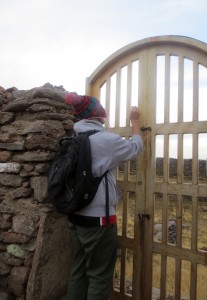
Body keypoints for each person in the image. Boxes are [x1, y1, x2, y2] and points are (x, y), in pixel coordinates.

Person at [64, 93, 143, 300]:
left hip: (75, 216)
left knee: (78, 271)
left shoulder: (74, 138)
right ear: (100, 115)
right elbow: (135, 148)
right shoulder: (105, 140)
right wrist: (135, 123)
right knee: (99, 277)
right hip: (99, 221)